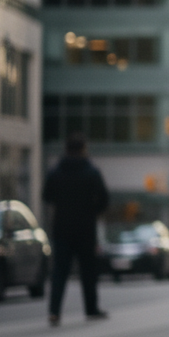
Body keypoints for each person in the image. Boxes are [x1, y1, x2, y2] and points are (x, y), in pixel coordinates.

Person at [43, 132, 110, 326]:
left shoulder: (55, 172)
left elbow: (46, 196)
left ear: (66, 149)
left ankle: (54, 312)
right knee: (88, 271)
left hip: (62, 228)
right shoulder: (91, 172)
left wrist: (63, 205)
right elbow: (104, 199)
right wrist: (92, 211)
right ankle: (91, 309)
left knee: (59, 272)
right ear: (83, 149)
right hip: (85, 229)